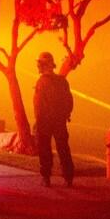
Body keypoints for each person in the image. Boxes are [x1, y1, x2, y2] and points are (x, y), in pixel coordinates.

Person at [33, 51, 74, 187]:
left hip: (45, 122)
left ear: (44, 65)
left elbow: (38, 105)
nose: (38, 67)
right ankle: (68, 177)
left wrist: (38, 122)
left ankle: (46, 177)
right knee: (63, 149)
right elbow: (69, 101)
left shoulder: (41, 83)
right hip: (59, 122)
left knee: (45, 150)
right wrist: (65, 115)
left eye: (40, 64)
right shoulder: (62, 81)